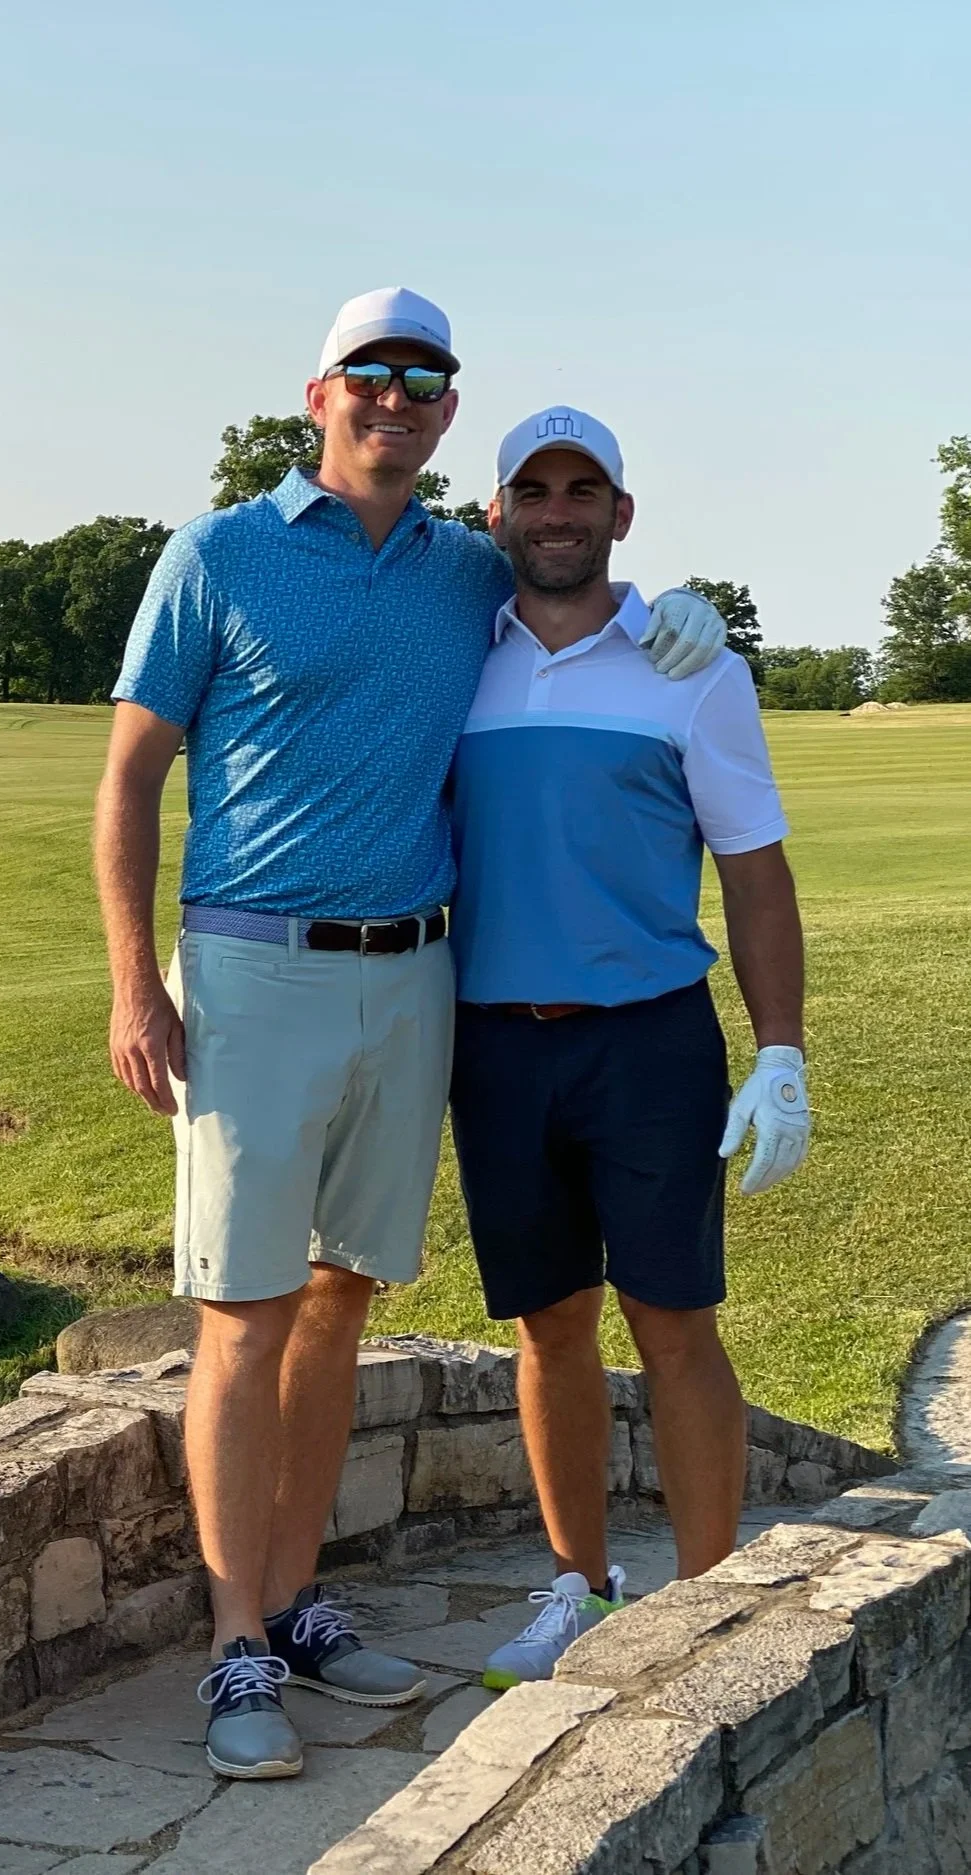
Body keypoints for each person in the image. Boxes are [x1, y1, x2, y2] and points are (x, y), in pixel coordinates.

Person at [93, 290, 731, 1781]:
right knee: (242, 1313)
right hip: (251, 966)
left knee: (337, 1298)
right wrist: (134, 982)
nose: (393, 396)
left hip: (413, 975)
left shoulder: (461, 570)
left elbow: (574, 591)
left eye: (420, 378)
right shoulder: (219, 553)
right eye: (367, 373)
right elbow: (128, 776)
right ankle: (235, 1637)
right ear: (317, 393)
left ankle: (301, 1596)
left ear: (446, 412)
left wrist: (672, 607)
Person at [445, 406, 809, 1689]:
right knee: (550, 1327)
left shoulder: (688, 663)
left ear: (621, 513)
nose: (556, 510)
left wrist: (782, 1051)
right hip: (491, 1045)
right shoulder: (456, 653)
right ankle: (580, 1589)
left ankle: (708, 1607)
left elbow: (755, 870)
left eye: (580, 489)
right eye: (531, 490)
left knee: (673, 1317)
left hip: (648, 1039)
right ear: (495, 514)